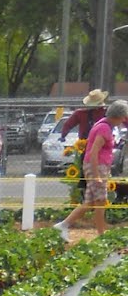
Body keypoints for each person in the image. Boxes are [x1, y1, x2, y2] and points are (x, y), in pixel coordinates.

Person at [55, 96, 128, 240]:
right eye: (123, 117)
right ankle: (101, 236)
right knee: (100, 202)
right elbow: (94, 152)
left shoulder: (103, 124)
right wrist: (96, 176)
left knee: (90, 202)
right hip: (97, 167)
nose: (123, 121)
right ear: (118, 116)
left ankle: (63, 225)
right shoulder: (104, 128)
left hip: (95, 166)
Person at [59, 87, 107, 201]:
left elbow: (68, 124)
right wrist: (63, 134)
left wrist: (63, 135)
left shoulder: (81, 113)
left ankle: (86, 194)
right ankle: (94, 196)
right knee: (100, 170)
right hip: (99, 146)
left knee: (85, 170)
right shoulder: (104, 112)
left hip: (87, 146)